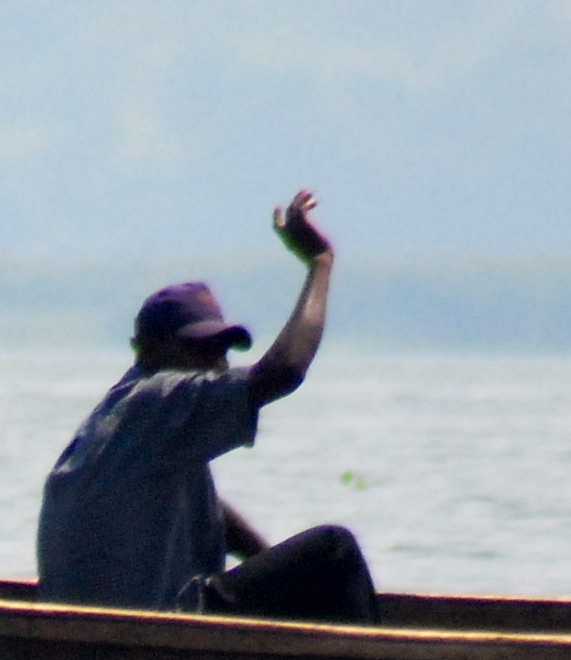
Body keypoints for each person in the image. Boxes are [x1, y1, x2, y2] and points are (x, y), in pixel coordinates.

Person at [36, 190, 377, 623]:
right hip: (150, 630)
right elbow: (286, 369)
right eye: (200, 350)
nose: (217, 365)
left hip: (112, 627)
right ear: (151, 351)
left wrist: (271, 567)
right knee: (334, 551)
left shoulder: (124, 421)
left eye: (223, 350)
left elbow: (213, 511)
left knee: (308, 574)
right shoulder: (158, 397)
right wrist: (320, 263)